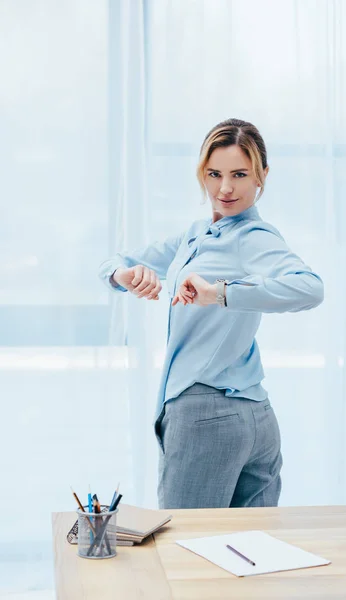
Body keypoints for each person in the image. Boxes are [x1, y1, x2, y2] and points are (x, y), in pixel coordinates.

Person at [99, 118, 324, 509]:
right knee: (248, 556)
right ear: (201, 174)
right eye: (214, 173)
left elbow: (309, 287)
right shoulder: (197, 234)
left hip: (206, 415)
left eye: (240, 174)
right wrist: (127, 274)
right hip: (256, 416)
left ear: (262, 176)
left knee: (183, 552)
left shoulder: (252, 238)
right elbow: (113, 264)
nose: (225, 188)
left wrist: (221, 294)